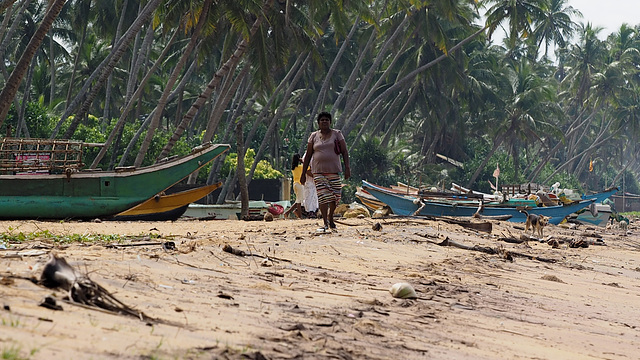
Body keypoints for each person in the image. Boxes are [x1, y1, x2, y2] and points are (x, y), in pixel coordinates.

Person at [300, 111, 350, 232]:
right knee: (322, 197)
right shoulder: (313, 136)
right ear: (318, 123)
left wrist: (347, 168)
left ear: (330, 122)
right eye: (322, 120)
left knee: (335, 196)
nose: (324, 122)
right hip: (318, 172)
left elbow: (344, 151)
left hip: (334, 171)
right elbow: (308, 156)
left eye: (326, 120)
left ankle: (330, 217)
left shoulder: (337, 134)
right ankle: (325, 222)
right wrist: (303, 173)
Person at [283, 154, 304, 219]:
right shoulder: (301, 167)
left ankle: (287, 212)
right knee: (299, 201)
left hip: (295, 184)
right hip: (299, 184)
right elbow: (308, 167)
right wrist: (302, 161)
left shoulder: (293, 168)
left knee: (298, 200)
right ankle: (300, 216)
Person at [302, 151, 318, 217]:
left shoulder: (318, 153)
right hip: (309, 181)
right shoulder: (307, 155)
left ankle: (314, 211)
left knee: (315, 197)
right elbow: (307, 170)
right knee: (309, 196)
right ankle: (309, 211)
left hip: (316, 181)